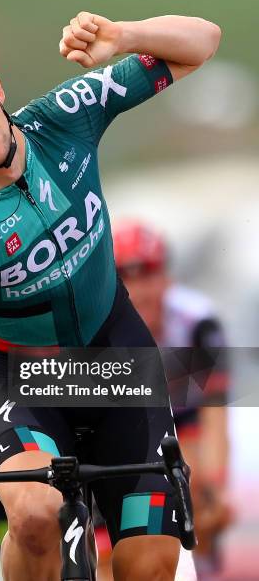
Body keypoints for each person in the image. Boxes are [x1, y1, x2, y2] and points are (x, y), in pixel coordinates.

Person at [0, 12, 221, 581]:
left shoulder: (65, 117)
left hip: (116, 357)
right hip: (24, 376)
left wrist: (125, 38)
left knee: (148, 565)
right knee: (38, 514)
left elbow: (203, 42)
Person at [112, 220, 233, 577]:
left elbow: (214, 416)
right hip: (127, 424)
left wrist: (214, 488)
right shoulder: (99, 324)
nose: (142, 290)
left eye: (149, 274)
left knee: (200, 486)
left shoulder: (197, 321)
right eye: (127, 278)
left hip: (183, 424)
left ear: (167, 276)